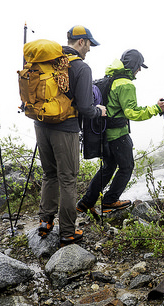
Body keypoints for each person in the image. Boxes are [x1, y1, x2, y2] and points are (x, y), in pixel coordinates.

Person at [36, 25, 106, 246]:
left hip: (42, 124)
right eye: (89, 44)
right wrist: (99, 111)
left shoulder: (49, 62)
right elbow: (86, 107)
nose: (90, 49)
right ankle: (67, 231)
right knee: (68, 179)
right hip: (65, 127)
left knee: (50, 174)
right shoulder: (81, 68)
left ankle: (45, 221)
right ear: (81, 41)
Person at [76, 49, 164, 214]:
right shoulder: (125, 84)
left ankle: (85, 203)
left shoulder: (111, 79)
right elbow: (132, 113)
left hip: (104, 133)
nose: (139, 70)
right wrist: (156, 109)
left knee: (108, 167)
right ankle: (110, 201)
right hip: (118, 134)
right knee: (127, 167)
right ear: (133, 65)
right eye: (139, 66)